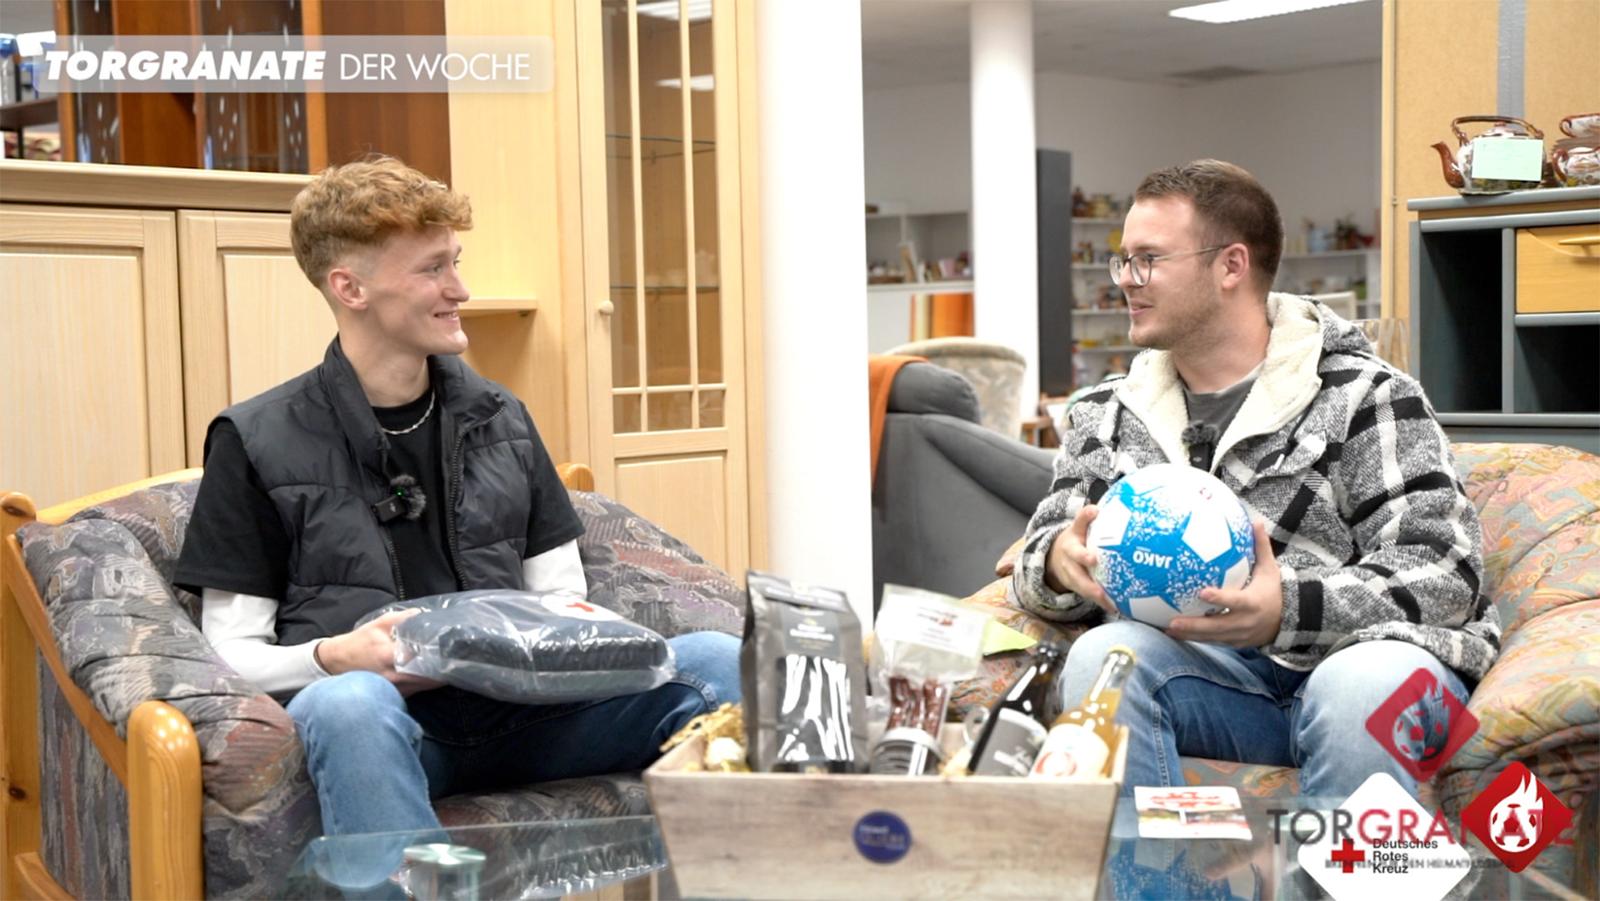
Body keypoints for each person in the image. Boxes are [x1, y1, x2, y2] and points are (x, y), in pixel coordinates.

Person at [173, 157, 740, 848]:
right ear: (350, 287)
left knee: (717, 659)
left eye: (456, 263)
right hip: (388, 730)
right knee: (350, 705)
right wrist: (335, 657)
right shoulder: (255, 439)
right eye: (432, 269)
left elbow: (560, 595)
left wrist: (557, 639)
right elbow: (230, 654)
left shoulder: (502, 416)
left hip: (532, 714)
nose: (459, 290)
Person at [1012, 160, 1498, 800]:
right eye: (1123, 261)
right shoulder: (1106, 412)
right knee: (1107, 660)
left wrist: (1285, 609)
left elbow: (1445, 570)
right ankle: (1151, 862)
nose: (1126, 280)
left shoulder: (1367, 395)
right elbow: (1040, 548)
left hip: (1365, 662)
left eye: (1148, 260)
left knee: (1358, 687)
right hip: (1216, 682)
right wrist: (1056, 563)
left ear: (1231, 266)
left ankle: (1360, 865)